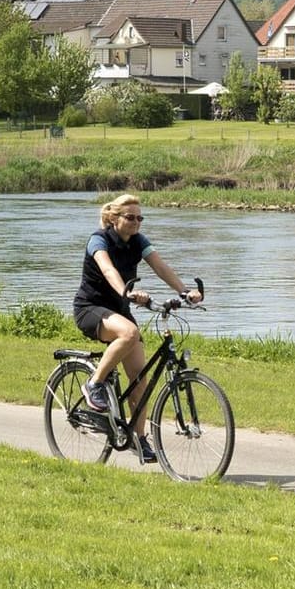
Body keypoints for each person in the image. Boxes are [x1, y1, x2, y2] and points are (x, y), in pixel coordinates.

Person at [72, 194, 202, 463]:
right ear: (114, 218)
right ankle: (94, 384)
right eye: (130, 217)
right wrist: (126, 292)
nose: (136, 222)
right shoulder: (99, 239)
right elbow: (108, 270)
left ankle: (138, 438)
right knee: (129, 333)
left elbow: (160, 266)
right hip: (90, 308)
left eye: (140, 218)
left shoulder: (139, 242)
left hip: (118, 311)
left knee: (140, 382)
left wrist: (185, 291)